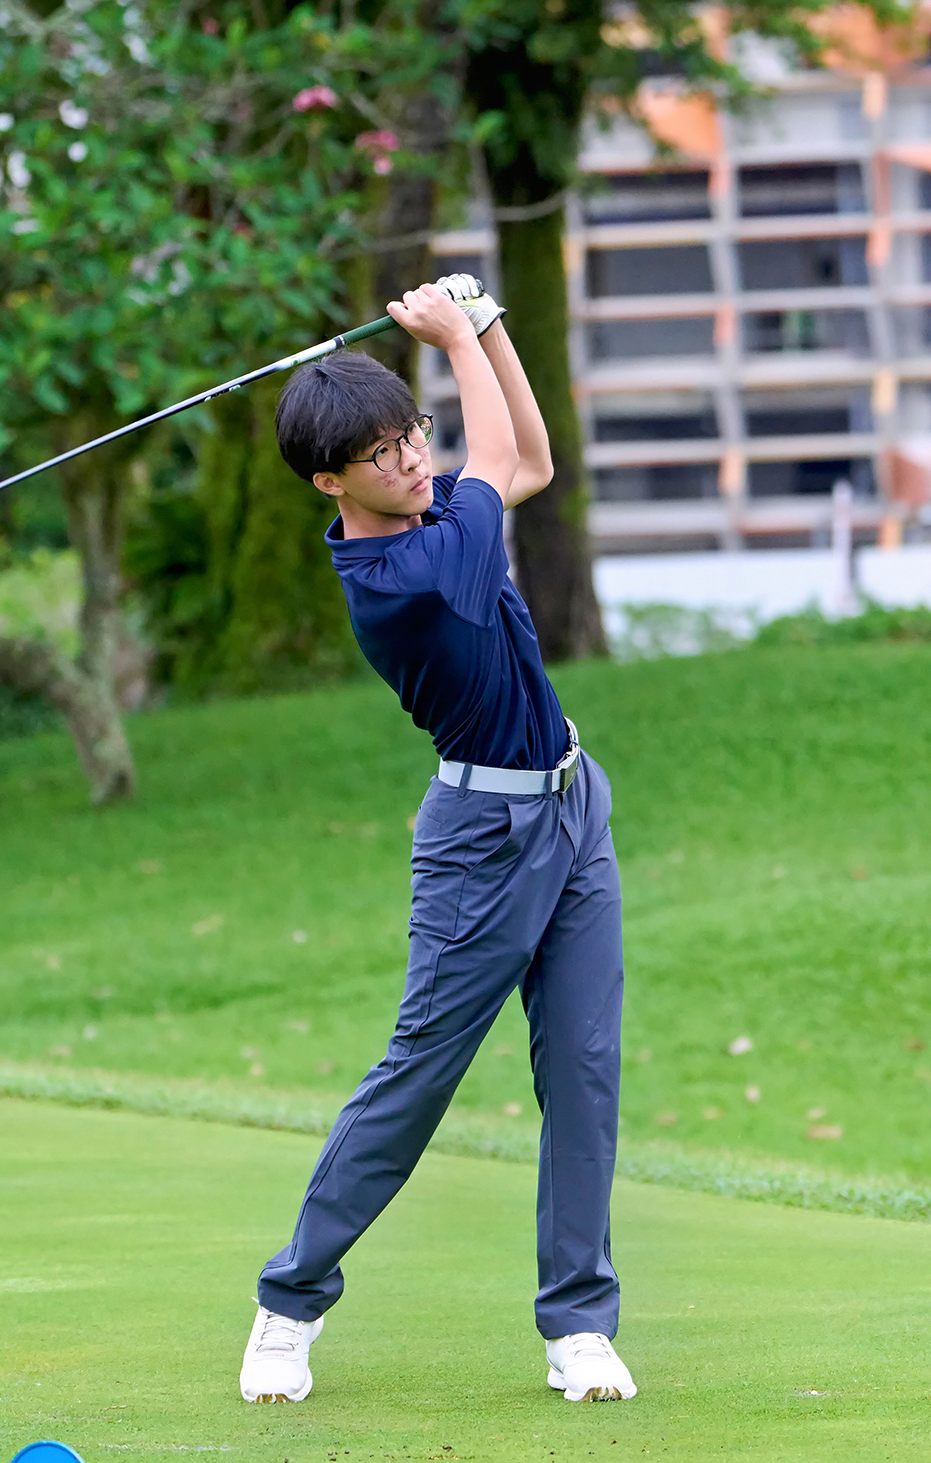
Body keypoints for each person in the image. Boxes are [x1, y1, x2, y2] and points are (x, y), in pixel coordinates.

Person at [239, 276, 635, 1405]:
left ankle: (579, 1326)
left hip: (572, 801)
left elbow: (532, 460)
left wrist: (494, 327)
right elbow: (496, 468)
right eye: (382, 452)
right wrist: (460, 332)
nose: (413, 458)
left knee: (584, 1067)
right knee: (418, 1076)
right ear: (331, 480)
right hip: (480, 842)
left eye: (412, 433)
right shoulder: (403, 575)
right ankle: (289, 1302)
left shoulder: (439, 514)